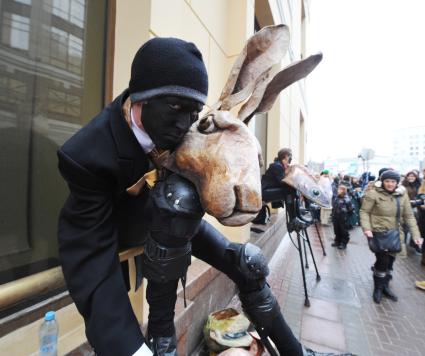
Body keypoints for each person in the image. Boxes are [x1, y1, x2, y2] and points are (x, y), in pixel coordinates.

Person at [57, 37, 345, 356]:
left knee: (249, 262)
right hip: (127, 227)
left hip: (175, 225)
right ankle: (162, 338)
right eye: (175, 108)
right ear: (142, 98)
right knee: (178, 198)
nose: (183, 125)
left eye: (193, 112)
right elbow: (89, 259)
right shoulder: (86, 156)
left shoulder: (186, 130)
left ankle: (297, 353)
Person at [360, 170, 422, 304]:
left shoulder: (402, 194)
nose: (390, 184)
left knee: (391, 262)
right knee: (382, 261)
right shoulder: (373, 193)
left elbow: (409, 216)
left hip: (396, 234)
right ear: (382, 181)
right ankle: (377, 288)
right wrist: (367, 229)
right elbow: (364, 212)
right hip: (378, 232)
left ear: (397, 182)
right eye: (387, 181)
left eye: (393, 181)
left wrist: (416, 235)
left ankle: (385, 286)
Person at [402, 171, 423, 253]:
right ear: (407, 177)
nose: (411, 178)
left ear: (416, 177)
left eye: (413, 176)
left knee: (416, 226)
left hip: (417, 209)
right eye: (409, 176)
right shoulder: (403, 186)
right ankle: (402, 244)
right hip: (406, 208)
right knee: (405, 227)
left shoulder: (420, 185)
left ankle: (414, 243)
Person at [331, 184, 354, 249]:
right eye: (338, 189)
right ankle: (337, 241)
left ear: (343, 190)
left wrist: (346, 216)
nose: (338, 190)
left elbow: (351, 209)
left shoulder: (347, 199)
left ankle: (343, 243)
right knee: (336, 230)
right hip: (336, 216)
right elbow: (334, 206)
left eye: (340, 189)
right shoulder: (336, 197)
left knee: (343, 231)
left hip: (343, 218)